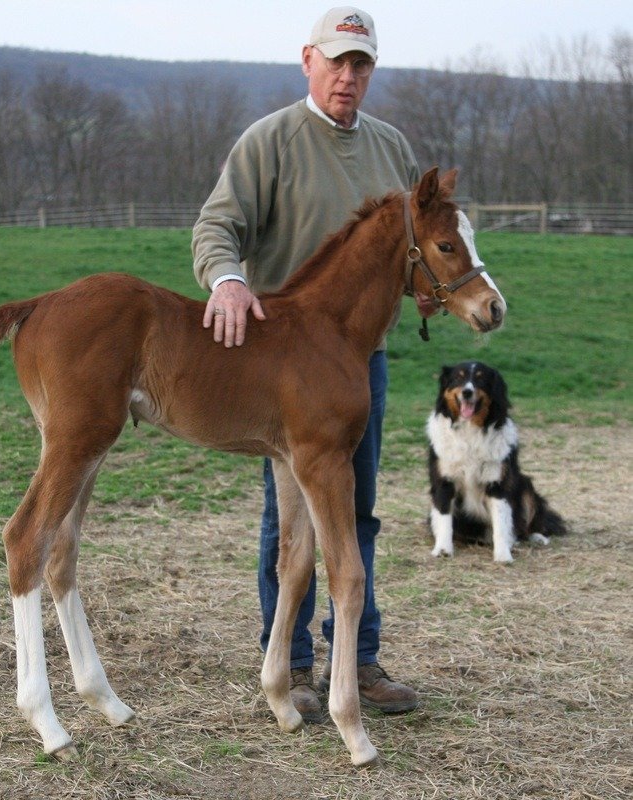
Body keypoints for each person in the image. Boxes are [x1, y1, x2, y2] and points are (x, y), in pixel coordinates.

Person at [192, 6, 420, 722]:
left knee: (357, 510)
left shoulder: (392, 150)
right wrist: (226, 278)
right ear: (308, 60)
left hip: (361, 363)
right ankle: (287, 664)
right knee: (286, 518)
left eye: (361, 65)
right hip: (283, 366)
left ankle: (359, 659)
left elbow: (416, 250)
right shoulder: (271, 141)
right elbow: (216, 226)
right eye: (336, 62)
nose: (348, 77)